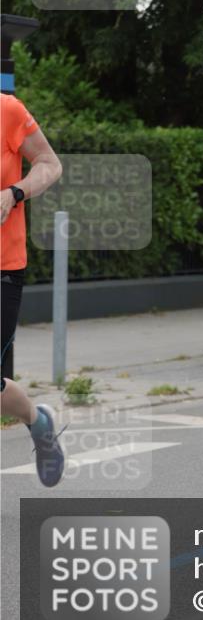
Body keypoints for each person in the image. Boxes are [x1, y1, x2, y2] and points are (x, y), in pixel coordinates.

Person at [1, 92, 65, 486]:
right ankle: (38, 421)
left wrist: (14, 192)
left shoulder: (7, 110)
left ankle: (36, 422)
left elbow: (49, 163)